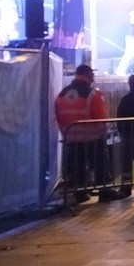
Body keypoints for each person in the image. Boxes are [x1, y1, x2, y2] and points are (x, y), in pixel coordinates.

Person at [54, 64, 108, 204]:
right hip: (92, 138)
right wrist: (102, 134)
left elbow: (58, 116)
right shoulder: (93, 94)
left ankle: (80, 194)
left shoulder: (62, 94)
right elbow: (101, 118)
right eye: (92, 73)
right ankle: (105, 191)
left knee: (77, 167)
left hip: (71, 138)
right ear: (87, 74)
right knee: (100, 164)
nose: (93, 76)